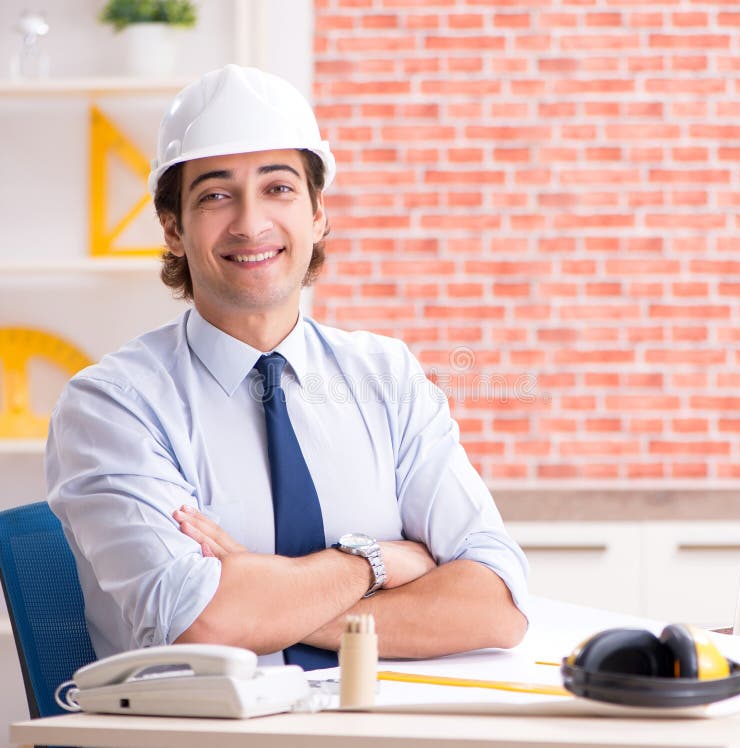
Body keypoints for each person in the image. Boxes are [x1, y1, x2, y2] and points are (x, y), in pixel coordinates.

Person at [46, 64, 529, 671]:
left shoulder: (387, 375)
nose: (251, 223)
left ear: (317, 214)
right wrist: (375, 563)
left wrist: (264, 595)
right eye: (216, 195)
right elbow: (205, 622)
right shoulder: (113, 406)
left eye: (278, 188)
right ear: (173, 229)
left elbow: (498, 604)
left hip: (375, 728)